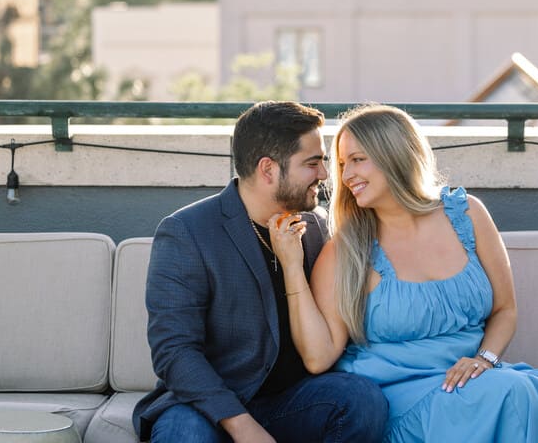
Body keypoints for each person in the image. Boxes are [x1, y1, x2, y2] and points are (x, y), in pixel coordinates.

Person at [268, 103, 538, 442]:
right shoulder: (347, 248)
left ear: (395, 154)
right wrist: (292, 267)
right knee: (510, 392)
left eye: (358, 159)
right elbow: (318, 358)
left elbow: (505, 309)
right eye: (341, 164)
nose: (346, 174)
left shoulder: (467, 214)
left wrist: (485, 359)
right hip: (402, 396)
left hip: (474, 378)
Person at [133, 100, 389, 443]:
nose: (326, 176)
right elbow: (174, 351)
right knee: (183, 434)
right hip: (208, 407)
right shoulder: (187, 232)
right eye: (312, 164)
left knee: (361, 400)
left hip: (291, 402)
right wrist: (241, 424)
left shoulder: (317, 226)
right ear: (268, 169)